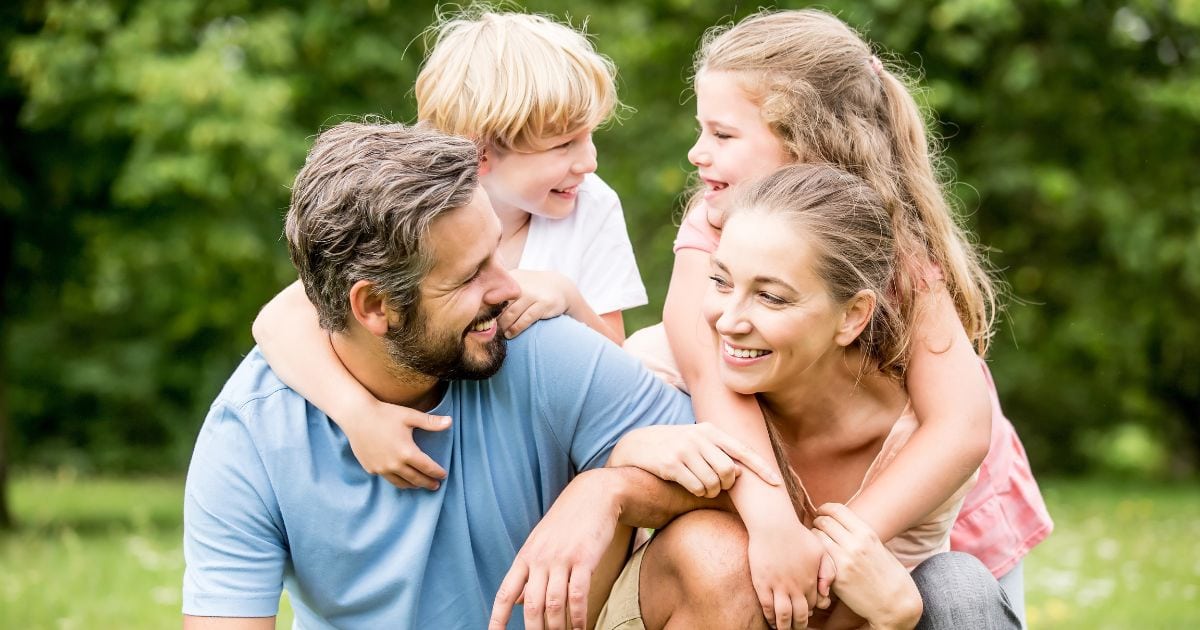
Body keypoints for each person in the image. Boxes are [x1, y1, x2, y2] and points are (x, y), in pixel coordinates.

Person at [182, 121, 759, 629]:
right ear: (375, 307)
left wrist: (608, 489)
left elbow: (745, 481)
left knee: (716, 556)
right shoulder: (253, 434)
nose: (509, 287)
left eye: (497, 253)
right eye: (468, 277)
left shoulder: (536, 343)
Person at [622, 9, 1051, 627]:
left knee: (960, 595)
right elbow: (711, 372)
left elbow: (958, 429)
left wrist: (836, 550)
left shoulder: (895, 246)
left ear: (803, 140)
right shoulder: (714, 221)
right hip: (804, 484)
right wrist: (773, 525)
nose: (697, 153)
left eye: (722, 135)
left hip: (932, 492)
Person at [598, 165, 1021, 630]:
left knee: (959, 587)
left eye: (772, 298)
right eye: (720, 282)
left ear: (853, 316)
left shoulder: (920, 444)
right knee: (716, 549)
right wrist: (620, 462)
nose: (729, 321)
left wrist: (895, 620)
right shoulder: (662, 373)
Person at [249, 9, 647, 492]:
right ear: (480, 154)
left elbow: (620, 376)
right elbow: (277, 322)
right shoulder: (414, 211)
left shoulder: (591, 206)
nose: (589, 160)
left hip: (545, 472)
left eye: (590, 135)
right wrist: (358, 415)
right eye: (564, 145)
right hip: (440, 458)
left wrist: (569, 297)